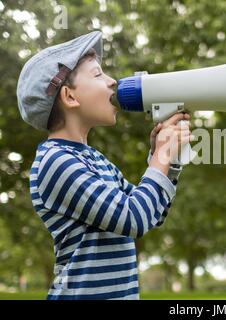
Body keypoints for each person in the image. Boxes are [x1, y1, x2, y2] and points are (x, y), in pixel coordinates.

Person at [16, 31, 191, 300]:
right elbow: (134, 219)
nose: (112, 82)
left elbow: (153, 214)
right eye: (98, 75)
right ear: (70, 97)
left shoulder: (95, 159)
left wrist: (169, 160)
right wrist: (160, 158)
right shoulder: (55, 161)